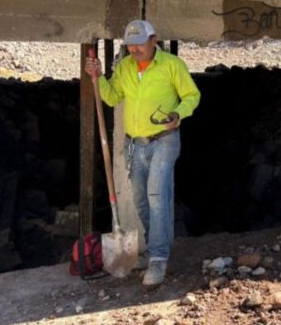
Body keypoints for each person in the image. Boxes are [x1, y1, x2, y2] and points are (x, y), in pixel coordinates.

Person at [84, 20, 201, 285]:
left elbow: (192, 96)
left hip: (164, 139)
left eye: (139, 44)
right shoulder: (125, 67)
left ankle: (158, 259)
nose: (134, 50)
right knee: (140, 200)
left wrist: (177, 114)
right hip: (135, 144)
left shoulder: (172, 65)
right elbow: (113, 98)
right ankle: (154, 248)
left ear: (153, 40)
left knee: (157, 196)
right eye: (130, 45)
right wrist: (98, 77)